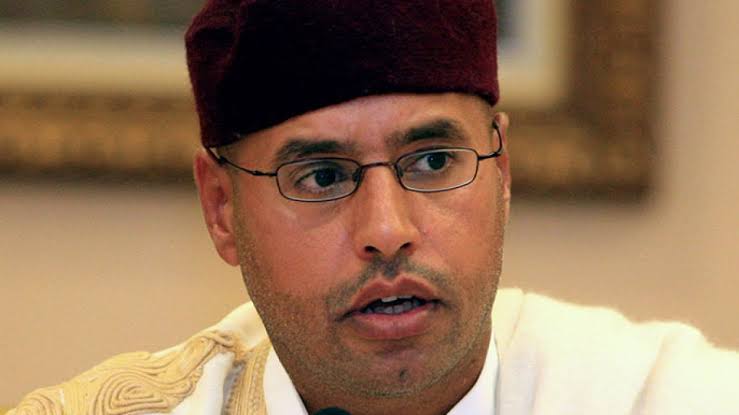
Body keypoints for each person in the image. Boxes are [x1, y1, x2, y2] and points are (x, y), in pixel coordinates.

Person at [8, 1, 739, 414]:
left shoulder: (667, 398)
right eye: (322, 176)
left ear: (501, 172)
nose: (387, 230)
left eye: (433, 161)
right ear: (221, 207)